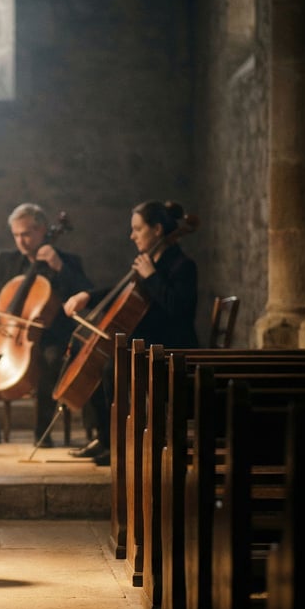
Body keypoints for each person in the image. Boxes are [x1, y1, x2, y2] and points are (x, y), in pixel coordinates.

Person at [0, 202, 94, 446]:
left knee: (52, 359)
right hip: (8, 337)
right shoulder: (8, 261)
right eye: (16, 235)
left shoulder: (67, 261)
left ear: (43, 230)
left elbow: (86, 291)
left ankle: (42, 432)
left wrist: (59, 267)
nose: (21, 241)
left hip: (51, 338)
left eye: (26, 234)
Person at [62, 199, 198, 465]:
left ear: (157, 229)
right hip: (146, 343)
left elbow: (178, 310)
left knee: (111, 366)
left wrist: (151, 277)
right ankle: (105, 438)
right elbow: (123, 291)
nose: (132, 235)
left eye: (137, 228)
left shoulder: (183, 265)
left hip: (169, 347)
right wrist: (86, 296)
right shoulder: (151, 262)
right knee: (87, 351)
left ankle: (119, 444)